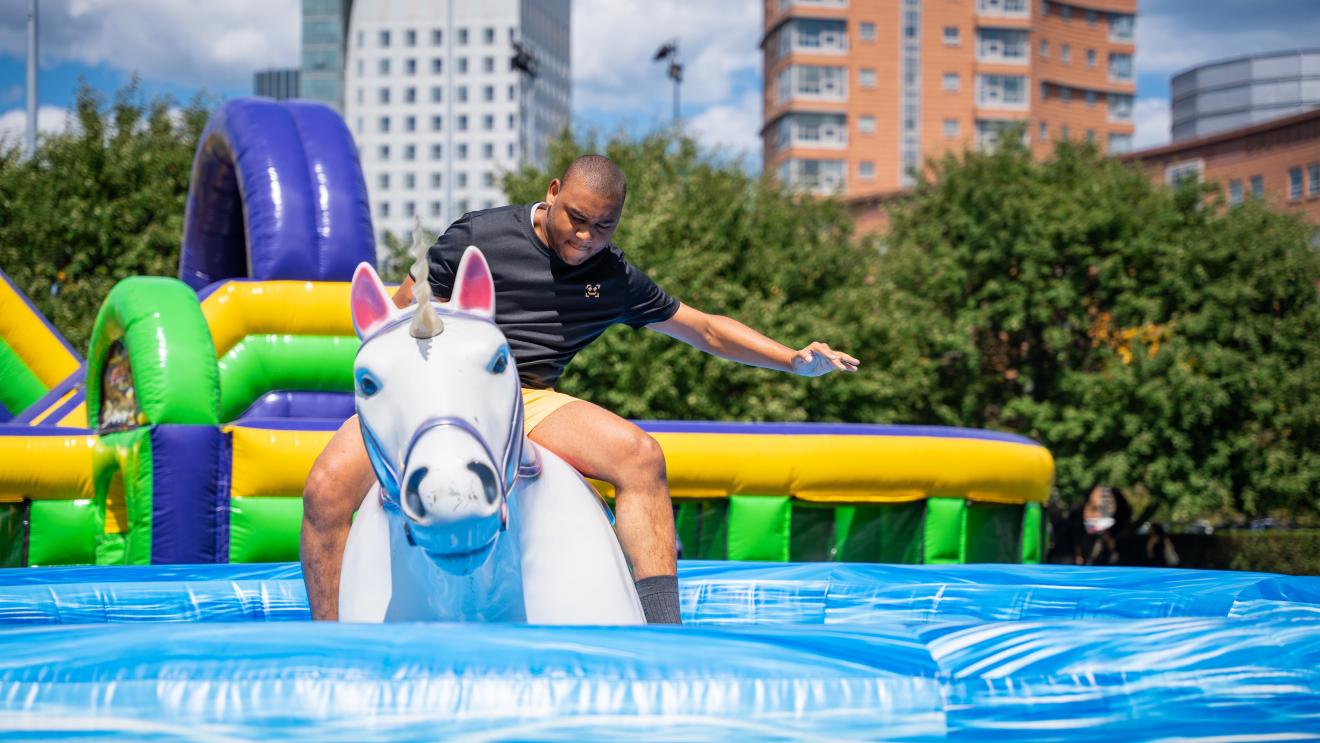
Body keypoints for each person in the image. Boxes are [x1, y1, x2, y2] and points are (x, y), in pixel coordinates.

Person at [301, 154, 859, 624]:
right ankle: (329, 645)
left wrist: (792, 360)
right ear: (553, 193)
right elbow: (400, 315)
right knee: (326, 486)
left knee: (640, 456)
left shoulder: (611, 276)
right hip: (439, 389)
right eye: (577, 219)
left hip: (526, 399)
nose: (587, 237)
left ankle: (664, 636)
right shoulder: (481, 234)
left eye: (605, 226)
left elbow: (704, 328)